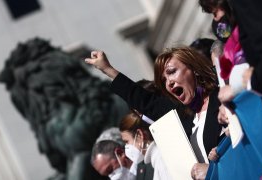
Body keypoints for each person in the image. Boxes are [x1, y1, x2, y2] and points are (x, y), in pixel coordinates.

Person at [85, 47, 224, 179]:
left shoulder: (221, 98)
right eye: (164, 80)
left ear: (194, 70)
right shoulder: (185, 115)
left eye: (172, 72)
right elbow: (145, 101)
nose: (169, 82)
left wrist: (214, 167)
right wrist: (107, 69)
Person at [120, 111, 170, 180]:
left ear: (140, 135)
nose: (126, 147)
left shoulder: (160, 158)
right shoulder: (156, 158)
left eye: (127, 141)